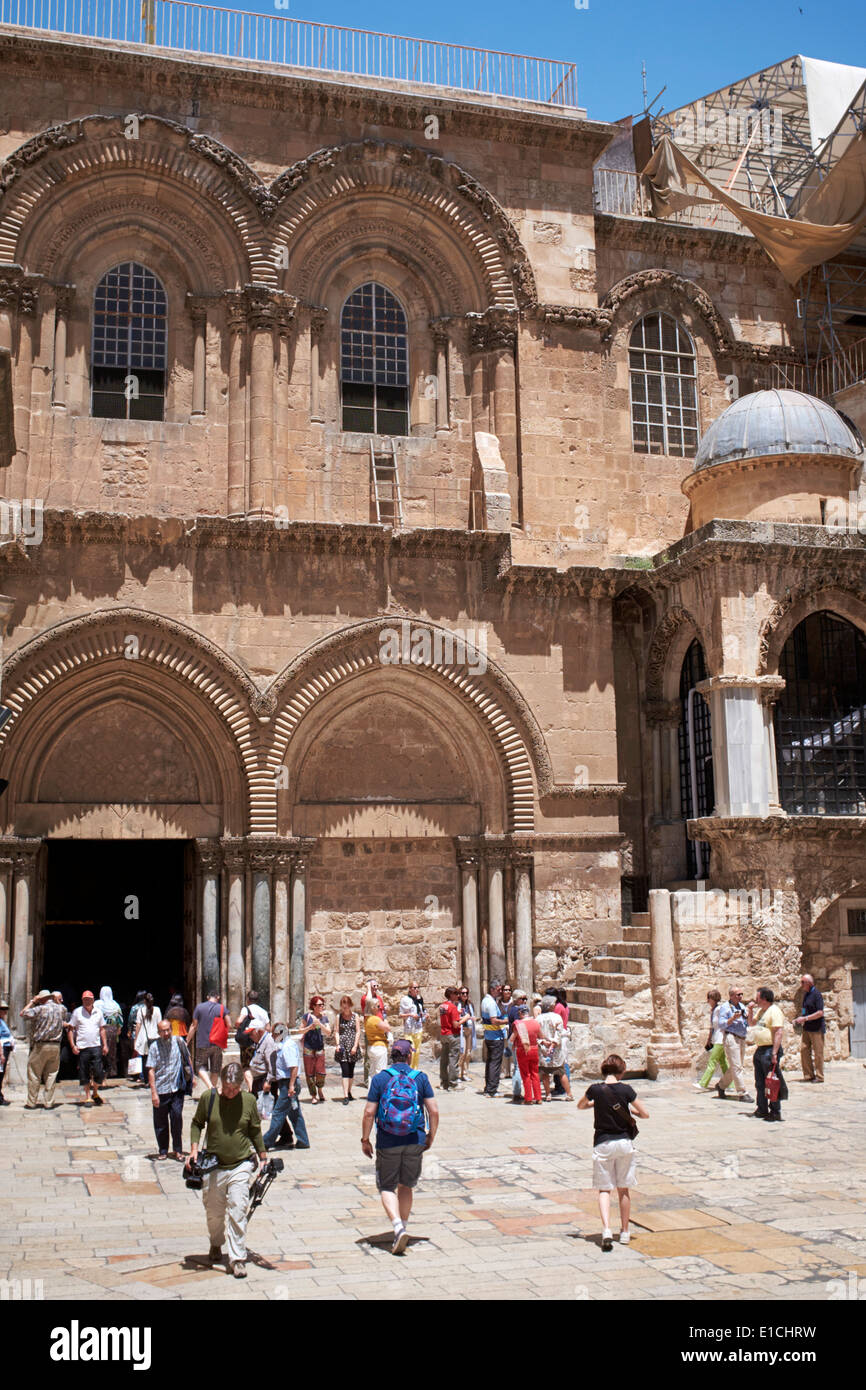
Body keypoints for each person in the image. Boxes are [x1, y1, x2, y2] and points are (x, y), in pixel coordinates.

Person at [188, 1062, 267, 1279]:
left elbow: (255, 1130)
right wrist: (194, 1150)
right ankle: (216, 1243)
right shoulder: (209, 1098)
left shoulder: (249, 1101)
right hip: (214, 1165)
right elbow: (196, 1124)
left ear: (241, 1086)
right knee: (214, 1214)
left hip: (240, 1164)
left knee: (238, 1208)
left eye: (235, 1089)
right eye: (227, 1088)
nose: (230, 1093)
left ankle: (237, 1258)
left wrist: (263, 1155)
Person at [361, 1038, 439, 1255]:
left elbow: (369, 1112)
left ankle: (397, 1227)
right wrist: (430, 1136)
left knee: (387, 1186)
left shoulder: (380, 1079)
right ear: (409, 1055)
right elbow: (433, 1111)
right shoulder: (420, 1078)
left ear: (392, 1055)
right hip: (415, 1138)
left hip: (388, 1140)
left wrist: (365, 1139)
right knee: (406, 1185)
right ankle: (403, 1226)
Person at [578, 1053, 649, 1251]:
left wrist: (595, 1103)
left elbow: (581, 1105)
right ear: (622, 1072)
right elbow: (644, 1114)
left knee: (604, 1189)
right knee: (624, 1189)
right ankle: (625, 1232)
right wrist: (629, 1110)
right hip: (624, 1142)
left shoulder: (595, 1090)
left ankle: (607, 1229)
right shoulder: (626, 1090)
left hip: (603, 1142)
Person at [146, 1017, 193, 1161]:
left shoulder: (179, 1042)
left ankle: (178, 1150)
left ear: (171, 1030)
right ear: (158, 1032)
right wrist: (153, 1092)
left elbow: (188, 1058)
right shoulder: (154, 1047)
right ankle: (163, 1150)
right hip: (161, 1089)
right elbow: (151, 1070)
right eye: (162, 1031)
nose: (166, 1033)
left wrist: (192, 1076)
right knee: (160, 1123)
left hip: (176, 1088)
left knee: (177, 1118)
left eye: (168, 1030)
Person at [263, 1021, 311, 1150]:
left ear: (280, 1034)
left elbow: (293, 1067)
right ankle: (303, 1140)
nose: (272, 1037)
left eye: (274, 1034)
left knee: (278, 1113)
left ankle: (266, 1142)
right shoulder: (283, 1045)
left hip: (288, 1083)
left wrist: (290, 1086)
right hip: (286, 1083)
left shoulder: (287, 1046)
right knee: (294, 1112)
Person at [20, 988, 68, 1109]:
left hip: (41, 1045)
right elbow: (64, 1017)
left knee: (34, 1073)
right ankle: (49, 1102)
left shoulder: (39, 1008)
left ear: (41, 999)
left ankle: (31, 1102)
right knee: (52, 1074)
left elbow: (23, 1013)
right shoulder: (62, 1009)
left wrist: (33, 1001)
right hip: (55, 1046)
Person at [748, 987, 788, 1122]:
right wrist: (750, 1010)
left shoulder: (774, 1011)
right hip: (760, 1049)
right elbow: (751, 1023)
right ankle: (762, 1108)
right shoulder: (761, 1011)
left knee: (772, 1082)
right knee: (760, 1082)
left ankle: (775, 1111)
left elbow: (778, 1032)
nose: (756, 999)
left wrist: (774, 1053)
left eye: (758, 997)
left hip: (770, 1049)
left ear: (764, 998)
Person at [66, 991, 108, 1107]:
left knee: (98, 1072)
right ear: (82, 1000)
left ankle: (95, 1092)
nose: (87, 1001)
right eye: (85, 999)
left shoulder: (98, 1012)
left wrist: (105, 1045)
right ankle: (88, 1096)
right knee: (84, 1072)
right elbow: (70, 1029)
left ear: (93, 1000)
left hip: (95, 1046)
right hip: (83, 1047)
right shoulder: (77, 1012)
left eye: (89, 999)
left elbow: (102, 1029)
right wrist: (73, 1045)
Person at [714, 986, 753, 1102]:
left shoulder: (741, 1007)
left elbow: (749, 1022)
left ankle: (721, 1086)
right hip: (731, 1037)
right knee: (737, 1067)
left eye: (741, 994)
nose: (740, 997)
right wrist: (732, 1018)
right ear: (731, 996)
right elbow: (721, 1024)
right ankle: (742, 1092)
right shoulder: (725, 1008)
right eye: (738, 995)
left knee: (736, 1066)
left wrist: (750, 1011)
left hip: (741, 1038)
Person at [187, 990, 232, 1089]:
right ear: (218, 997)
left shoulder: (199, 1007)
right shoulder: (222, 1008)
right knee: (215, 1069)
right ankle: (213, 1091)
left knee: (199, 1066)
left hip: (202, 1043)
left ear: (208, 997)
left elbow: (194, 1026)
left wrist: (187, 1041)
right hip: (217, 1044)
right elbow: (229, 1024)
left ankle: (210, 1087)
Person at [537, 995, 573, 1101]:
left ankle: (548, 1094)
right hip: (556, 1049)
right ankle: (569, 1094)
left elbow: (536, 1034)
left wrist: (543, 1042)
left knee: (545, 1073)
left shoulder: (538, 1018)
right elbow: (559, 1033)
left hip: (544, 1048)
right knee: (561, 1072)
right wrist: (553, 1044)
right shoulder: (557, 1017)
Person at [480, 979, 509, 1097]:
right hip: (495, 1037)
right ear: (492, 989)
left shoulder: (485, 1000)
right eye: (498, 990)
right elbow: (494, 1020)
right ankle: (492, 1089)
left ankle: (488, 1087)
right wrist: (506, 1020)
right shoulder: (491, 1003)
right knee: (495, 1063)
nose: (500, 992)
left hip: (489, 1036)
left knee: (490, 1062)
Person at [795, 973, 826, 1083]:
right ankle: (808, 1075)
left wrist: (805, 1018)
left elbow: (820, 1012)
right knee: (804, 1050)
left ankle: (819, 1076)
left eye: (803, 982)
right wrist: (801, 1018)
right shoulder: (806, 995)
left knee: (818, 1053)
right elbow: (804, 1009)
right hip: (807, 1028)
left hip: (816, 1028)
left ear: (809, 983)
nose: (801, 984)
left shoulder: (817, 994)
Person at [509, 1002, 542, 1105]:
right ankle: (538, 1098)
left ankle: (528, 1098)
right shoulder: (535, 1023)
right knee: (535, 1073)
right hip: (534, 1049)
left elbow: (512, 1039)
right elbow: (540, 1036)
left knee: (526, 1074)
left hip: (523, 1050)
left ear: (520, 1012)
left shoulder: (518, 1024)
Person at [302, 995, 333, 1103]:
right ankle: (313, 1095)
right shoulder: (307, 1017)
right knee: (309, 1072)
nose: (322, 1006)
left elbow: (329, 1032)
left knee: (321, 1072)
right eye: (319, 1005)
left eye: (322, 1004)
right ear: (314, 1006)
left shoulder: (324, 1018)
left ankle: (320, 1089)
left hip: (319, 1047)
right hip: (308, 1047)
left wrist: (320, 1024)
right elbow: (301, 1030)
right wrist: (309, 1027)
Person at [695, 989, 727, 1091]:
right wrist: (709, 1040)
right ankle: (730, 1085)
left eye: (709, 998)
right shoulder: (713, 1010)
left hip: (720, 1039)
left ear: (713, 999)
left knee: (712, 1062)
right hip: (716, 1038)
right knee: (723, 1063)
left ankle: (703, 1083)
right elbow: (712, 1027)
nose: (707, 1000)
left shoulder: (719, 1010)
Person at [335, 995, 362, 1103]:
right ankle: (345, 1095)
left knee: (351, 1071)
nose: (345, 1009)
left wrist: (355, 1046)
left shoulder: (355, 1016)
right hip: (343, 1046)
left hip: (353, 1046)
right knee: (345, 1071)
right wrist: (337, 1044)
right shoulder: (339, 1017)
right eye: (343, 1006)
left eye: (346, 1006)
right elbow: (336, 1031)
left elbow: (358, 1031)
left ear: (350, 1005)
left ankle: (349, 1091)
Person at [132, 994, 161, 1085]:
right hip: (155, 1037)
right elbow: (159, 1024)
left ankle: (147, 1080)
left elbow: (138, 1025)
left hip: (144, 1038)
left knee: (145, 1059)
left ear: (144, 1001)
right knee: (155, 1059)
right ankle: (155, 1079)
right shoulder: (157, 1010)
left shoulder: (141, 1010)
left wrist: (136, 1039)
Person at [360, 980, 385, 1085]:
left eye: (377, 986)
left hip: (379, 1031)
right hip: (370, 1031)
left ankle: (376, 1080)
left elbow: (382, 1011)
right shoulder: (365, 998)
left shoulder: (378, 998)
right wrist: (368, 988)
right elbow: (368, 1003)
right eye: (373, 986)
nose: (375, 988)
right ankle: (367, 1080)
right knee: (369, 1057)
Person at [235, 990, 270, 1066]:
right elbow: (268, 1028)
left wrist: (239, 1028)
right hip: (259, 1041)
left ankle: (248, 1077)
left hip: (248, 1040)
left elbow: (239, 1021)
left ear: (247, 999)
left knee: (246, 1065)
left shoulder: (246, 1009)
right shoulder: (263, 1011)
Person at [438, 986, 462, 1092]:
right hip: (453, 1034)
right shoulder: (452, 1007)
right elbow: (455, 1024)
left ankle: (444, 1082)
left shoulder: (443, 1006)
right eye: (456, 993)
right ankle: (453, 1083)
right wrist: (465, 1018)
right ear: (451, 995)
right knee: (453, 1059)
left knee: (444, 1059)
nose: (458, 995)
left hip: (444, 1033)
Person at [398, 982, 426, 1069]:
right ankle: (409, 1069)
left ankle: (415, 1069)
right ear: (410, 989)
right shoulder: (405, 1000)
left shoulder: (419, 999)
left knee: (417, 1051)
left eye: (418, 987)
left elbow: (422, 1010)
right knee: (411, 1051)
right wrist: (410, 1015)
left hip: (418, 1028)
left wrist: (425, 1015)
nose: (416, 989)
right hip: (409, 1029)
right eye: (414, 988)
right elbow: (400, 1015)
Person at [97, 986, 124, 1078]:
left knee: (100, 1052)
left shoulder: (97, 1004)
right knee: (111, 1052)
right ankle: (109, 1072)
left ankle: (100, 1072)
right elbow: (120, 1020)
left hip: (100, 1031)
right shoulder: (115, 1005)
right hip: (112, 1031)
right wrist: (118, 1030)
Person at [364, 1006, 391, 1082]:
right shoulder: (375, 1019)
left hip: (372, 1046)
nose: (379, 1008)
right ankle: (380, 1092)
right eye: (377, 1006)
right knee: (381, 1072)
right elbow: (387, 1028)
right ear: (372, 1007)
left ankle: (371, 1091)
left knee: (372, 1072)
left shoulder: (367, 1019)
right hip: (379, 1047)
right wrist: (385, 1020)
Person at [458, 986, 476, 1081]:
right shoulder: (458, 1005)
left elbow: (472, 1016)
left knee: (468, 1052)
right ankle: (457, 1073)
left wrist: (472, 1018)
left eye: (466, 993)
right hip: (462, 1029)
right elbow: (456, 1018)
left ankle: (465, 1073)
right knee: (462, 1052)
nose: (465, 995)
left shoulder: (470, 1005)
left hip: (469, 1029)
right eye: (463, 993)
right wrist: (467, 1018)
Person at [0, 1000, 15, 1106]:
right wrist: (1, 1054)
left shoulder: (2, 1021)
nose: (5, 1012)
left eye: (6, 1010)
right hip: (2, 1051)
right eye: (3, 1010)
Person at [500, 984, 514, 1077]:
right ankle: (504, 1071)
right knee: (503, 1050)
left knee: (512, 1051)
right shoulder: (498, 1003)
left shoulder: (514, 1003)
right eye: (505, 990)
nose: (507, 992)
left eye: (509, 990)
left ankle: (512, 1071)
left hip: (512, 1030)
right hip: (501, 1029)